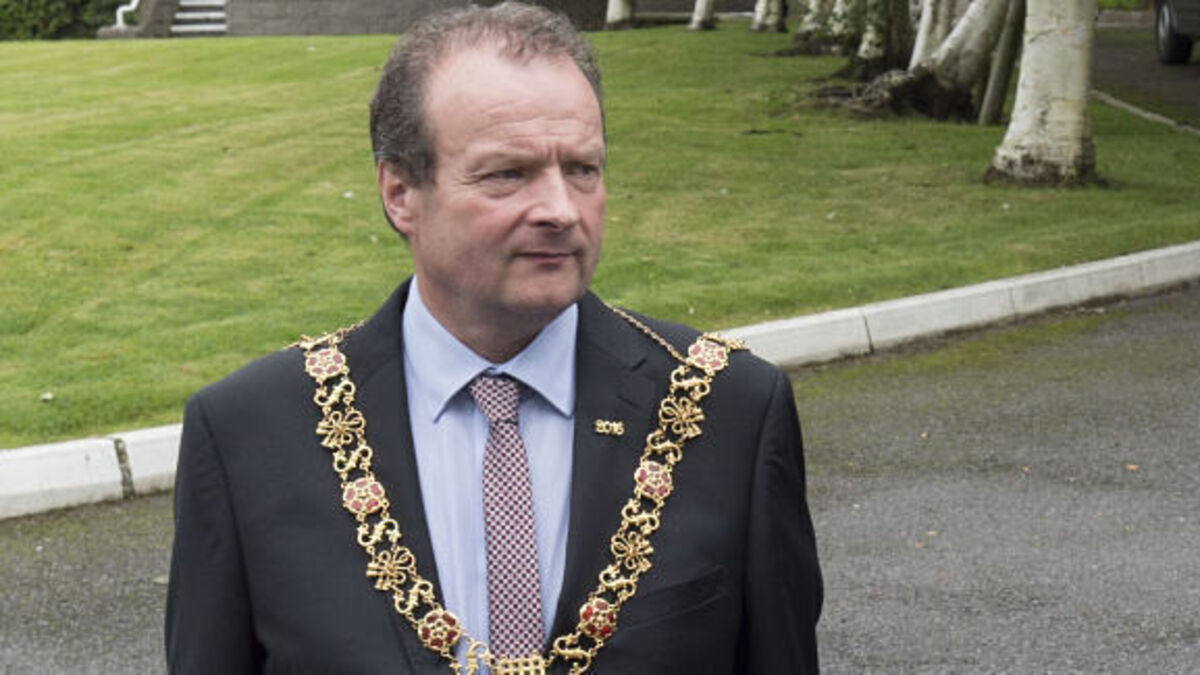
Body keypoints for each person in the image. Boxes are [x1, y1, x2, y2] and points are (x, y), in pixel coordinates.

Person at [164, 3, 821, 673]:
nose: (560, 210)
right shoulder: (251, 434)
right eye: (508, 173)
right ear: (400, 192)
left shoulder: (728, 410)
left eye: (582, 169)